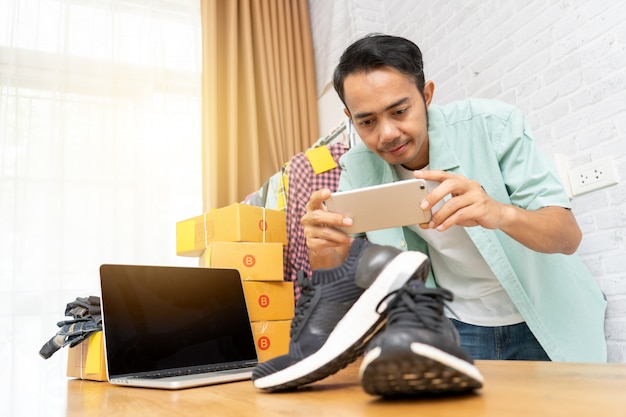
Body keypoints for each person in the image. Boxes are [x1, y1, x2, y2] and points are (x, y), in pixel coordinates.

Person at [251, 33, 606, 397]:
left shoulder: (492, 125)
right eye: (367, 122)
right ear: (350, 119)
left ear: (427, 95)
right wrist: (323, 246)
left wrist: (498, 212)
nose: (388, 134)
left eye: (400, 111)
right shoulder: (356, 166)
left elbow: (567, 236)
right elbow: (337, 274)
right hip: (455, 327)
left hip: (544, 315)